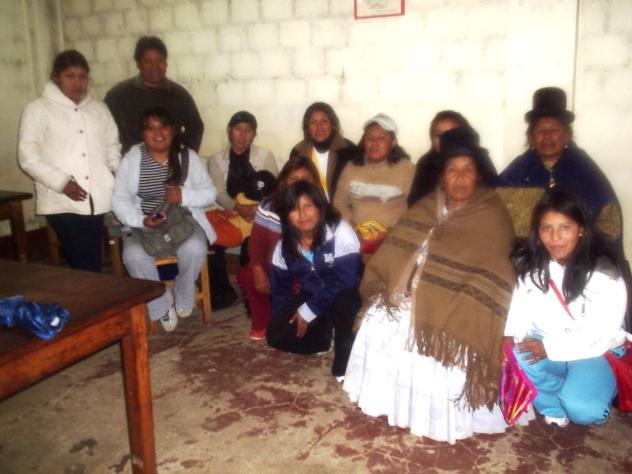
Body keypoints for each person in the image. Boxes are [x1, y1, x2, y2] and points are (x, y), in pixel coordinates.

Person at [343, 126, 525, 444]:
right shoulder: (426, 206)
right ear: (441, 176)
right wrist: (395, 288)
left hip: (460, 305)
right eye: (452, 169)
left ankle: (437, 416)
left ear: (478, 176)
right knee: (381, 317)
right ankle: (388, 401)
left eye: (467, 169)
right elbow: (396, 251)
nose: (459, 177)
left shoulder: (491, 216)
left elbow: (495, 275)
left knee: (422, 328)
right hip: (408, 295)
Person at [504, 191, 628, 427]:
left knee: (583, 410)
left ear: (580, 229)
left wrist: (549, 348)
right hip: (548, 345)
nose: (555, 237)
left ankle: (591, 397)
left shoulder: (605, 274)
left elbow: (602, 334)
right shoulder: (533, 268)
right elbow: (520, 309)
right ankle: (554, 407)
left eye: (564, 228)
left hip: (595, 353)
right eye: (546, 228)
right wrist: (510, 336)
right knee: (517, 355)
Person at [112, 106, 216, 332]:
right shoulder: (131, 160)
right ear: (142, 133)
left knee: (195, 248)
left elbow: (210, 193)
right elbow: (119, 200)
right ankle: (162, 304)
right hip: (142, 226)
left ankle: (184, 291)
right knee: (133, 256)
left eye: (163, 126)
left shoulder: (187, 156)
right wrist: (141, 220)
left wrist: (183, 195)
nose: (158, 133)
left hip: (182, 223)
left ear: (173, 130)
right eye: (150, 128)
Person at [18, 49, 120, 272]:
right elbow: (28, 157)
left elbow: (112, 145)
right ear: (57, 77)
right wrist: (63, 183)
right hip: (61, 199)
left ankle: (93, 290)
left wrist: (113, 171)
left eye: (82, 76)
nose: (77, 83)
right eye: (70, 76)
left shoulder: (99, 109)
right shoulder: (37, 110)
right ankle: (94, 292)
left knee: (89, 258)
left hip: (96, 196)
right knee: (86, 261)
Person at [497, 87, 622, 240]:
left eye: (554, 130)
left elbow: (609, 227)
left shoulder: (587, 174)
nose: (547, 136)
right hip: (528, 253)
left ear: (567, 135)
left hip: (580, 253)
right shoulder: (515, 174)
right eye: (540, 131)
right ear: (530, 138)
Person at [267, 181, 362, 379]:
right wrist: (283, 322)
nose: (302, 215)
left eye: (308, 206)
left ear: (320, 207)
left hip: (347, 292)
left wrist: (309, 310)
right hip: (313, 294)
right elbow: (280, 291)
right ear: (286, 215)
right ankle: (325, 338)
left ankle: (344, 357)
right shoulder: (284, 247)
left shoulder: (340, 231)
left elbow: (346, 279)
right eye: (294, 209)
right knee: (276, 335)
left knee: (344, 302)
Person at [238, 157, 321, 341]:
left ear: (314, 182)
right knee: (248, 274)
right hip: (272, 265)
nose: (299, 183)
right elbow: (256, 242)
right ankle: (262, 322)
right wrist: (258, 268)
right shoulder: (269, 205)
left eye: (305, 179)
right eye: (293, 178)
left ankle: (298, 321)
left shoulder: (319, 207)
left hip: (302, 268)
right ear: (284, 181)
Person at [207, 111, 279, 310]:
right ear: (230, 131)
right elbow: (217, 193)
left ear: (254, 134)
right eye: (238, 129)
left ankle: (254, 294)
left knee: (253, 247)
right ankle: (222, 295)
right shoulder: (216, 160)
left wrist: (257, 210)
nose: (242, 135)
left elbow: (275, 190)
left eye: (248, 131)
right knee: (210, 244)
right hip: (226, 213)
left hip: (259, 215)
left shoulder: (265, 156)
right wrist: (237, 207)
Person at [104, 36, 204, 154]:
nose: (155, 66)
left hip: (170, 162)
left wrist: (182, 155)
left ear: (166, 63)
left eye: (159, 60)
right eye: (148, 61)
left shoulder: (179, 94)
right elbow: (105, 129)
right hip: (132, 161)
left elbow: (196, 127)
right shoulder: (118, 95)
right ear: (138, 64)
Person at [333, 113, 414, 238]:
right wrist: (353, 228)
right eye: (369, 138)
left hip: (393, 238)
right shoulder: (352, 167)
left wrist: (391, 232)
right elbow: (339, 202)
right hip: (357, 236)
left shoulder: (406, 168)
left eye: (381, 138)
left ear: (393, 142)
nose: (374, 143)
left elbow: (416, 209)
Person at [289, 102, 356, 201]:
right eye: (313, 122)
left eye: (324, 121)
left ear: (332, 125)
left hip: (344, 206)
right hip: (313, 206)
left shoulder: (349, 150)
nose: (319, 126)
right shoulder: (298, 153)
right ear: (307, 128)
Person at [407, 110, 472, 206]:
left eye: (450, 135)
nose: (444, 140)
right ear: (432, 138)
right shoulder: (426, 164)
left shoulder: (477, 160)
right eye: (438, 135)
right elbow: (415, 202)